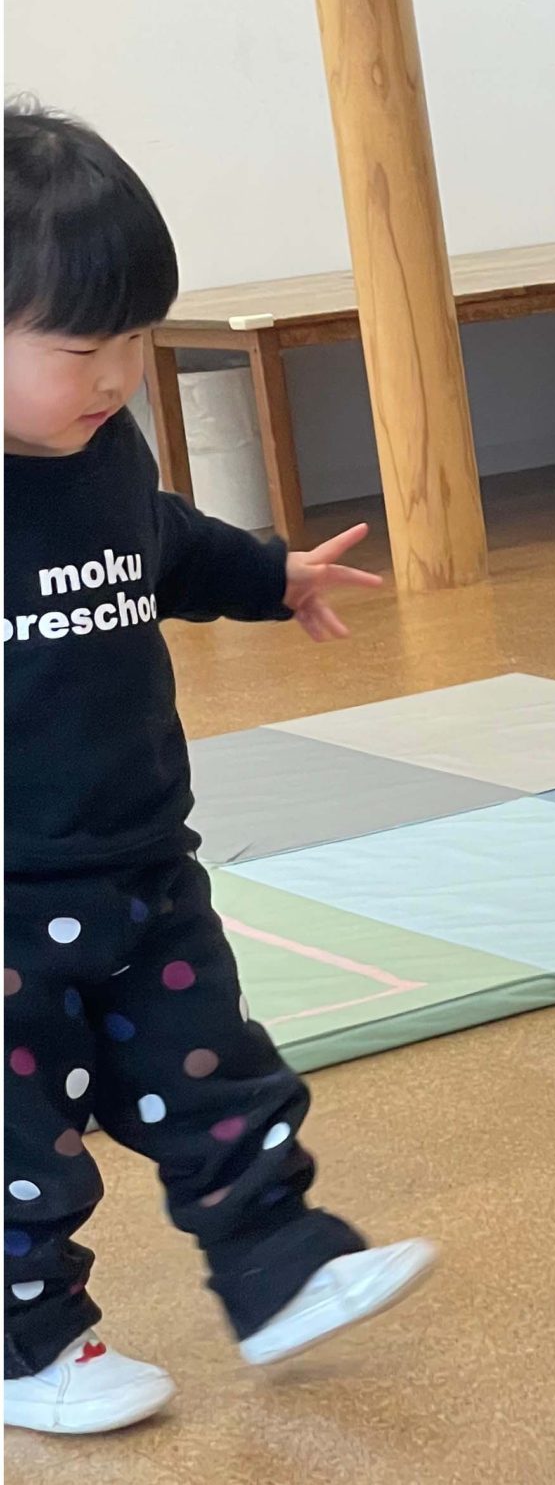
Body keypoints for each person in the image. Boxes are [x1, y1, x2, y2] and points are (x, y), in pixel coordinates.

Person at [3, 106, 437, 1437]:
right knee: (24, 1143)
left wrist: (273, 575)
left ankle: (278, 1266)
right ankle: (28, 1343)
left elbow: (163, 543)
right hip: (8, 896)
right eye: (81, 349)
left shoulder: (105, 452)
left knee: (215, 1079)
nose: (117, 375)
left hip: (144, 859)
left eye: (135, 339)